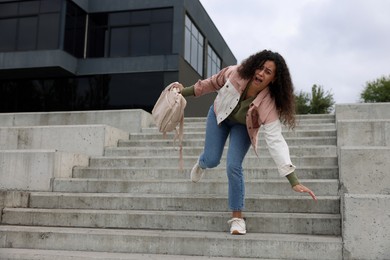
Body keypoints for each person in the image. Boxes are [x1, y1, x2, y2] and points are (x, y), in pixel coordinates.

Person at [174, 49, 317, 235]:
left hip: (242, 127)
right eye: (260, 68)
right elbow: (210, 84)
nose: (261, 73)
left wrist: (293, 180)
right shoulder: (235, 73)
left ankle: (237, 219)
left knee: (233, 166)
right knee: (211, 159)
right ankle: (202, 163)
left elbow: (275, 140)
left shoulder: (269, 104)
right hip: (219, 116)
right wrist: (181, 93)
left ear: (273, 79)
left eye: (268, 72)